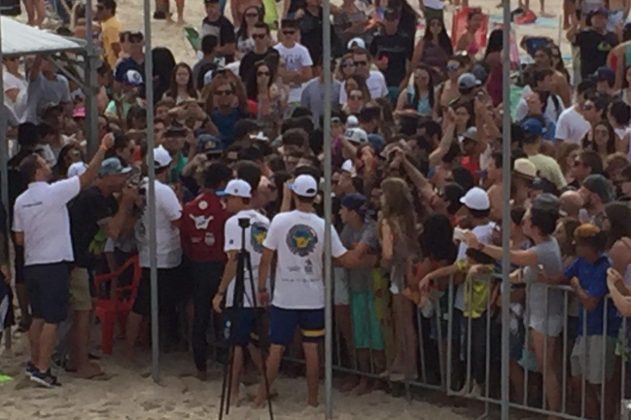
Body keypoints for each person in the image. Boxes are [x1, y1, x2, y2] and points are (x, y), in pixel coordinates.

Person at [252, 174, 364, 407]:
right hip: (313, 296)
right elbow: (342, 258)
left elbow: (266, 257)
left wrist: (262, 286)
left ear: (293, 193)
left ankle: (261, 397)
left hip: (286, 296)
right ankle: (312, 399)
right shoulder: (324, 226)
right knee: (312, 349)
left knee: (276, 348)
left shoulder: (280, 221)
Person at [13, 134, 113, 387]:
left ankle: (35, 362)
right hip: (54, 261)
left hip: (32, 261)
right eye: (43, 163)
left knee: (38, 316)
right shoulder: (54, 192)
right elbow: (88, 177)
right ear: (37, 171)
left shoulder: (20, 201)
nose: (48, 165)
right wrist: (102, 148)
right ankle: (43, 367)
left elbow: (20, 238)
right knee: (52, 318)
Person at [464, 193, 564, 415]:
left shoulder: (543, 248)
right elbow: (527, 269)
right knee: (542, 365)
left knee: (546, 367)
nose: (524, 221)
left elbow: (514, 257)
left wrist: (479, 246)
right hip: (538, 310)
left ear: (535, 226)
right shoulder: (542, 244)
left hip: (546, 313)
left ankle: (554, 414)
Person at [67, 157, 134, 379]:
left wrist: (133, 207)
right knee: (82, 312)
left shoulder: (106, 199)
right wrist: (125, 203)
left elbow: (122, 228)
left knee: (90, 307)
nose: (125, 179)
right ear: (107, 176)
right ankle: (80, 363)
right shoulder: (92, 198)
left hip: (89, 260)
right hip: (76, 261)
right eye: (121, 175)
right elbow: (113, 232)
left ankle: (80, 354)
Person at [211, 178, 270, 402]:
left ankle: (233, 391)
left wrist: (220, 291)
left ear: (238, 198)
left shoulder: (234, 223)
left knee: (236, 341)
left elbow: (233, 260)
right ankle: (265, 380)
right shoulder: (264, 220)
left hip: (241, 288)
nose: (224, 202)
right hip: (261, 286)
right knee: (249, 339)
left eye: (227, 198)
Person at [125, 146, 183, 360]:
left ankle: (138, 345)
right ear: (167, 168)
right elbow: (178, 219)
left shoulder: (141, 186)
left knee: (146, 304)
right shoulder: (162, 190)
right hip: (164, 253)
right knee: (146, 305)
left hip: (148, 250)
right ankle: (135, 348)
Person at [181, 162, 231, 380]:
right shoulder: (224, 209)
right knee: (226, 316)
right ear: (222, 183)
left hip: (198, 266)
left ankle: (201, 368)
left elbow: (184, 240)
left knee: (200, 318)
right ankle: (229, 362)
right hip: (221, 266)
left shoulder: (190, 207)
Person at [564, 224, 620, 419]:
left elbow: (590, 302)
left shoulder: (605, 267)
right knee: (578, 379)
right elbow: (562, 277)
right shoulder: (580, 262)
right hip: (584, 330)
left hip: (601, 331)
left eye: (578, 244)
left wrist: (577, 286)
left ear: (588, 246)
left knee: (600, 383)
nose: (575, 246)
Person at [369, 8, 413, 100]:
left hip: (399, 82)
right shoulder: (377, 38)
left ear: (397, 21)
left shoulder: (404, 39)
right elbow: (369, 58)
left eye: (393, 20)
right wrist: (377, 64)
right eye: (388, 20)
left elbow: (410, 64)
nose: (390, 23)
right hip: (381, 82)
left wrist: (404, 83)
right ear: (384, 20)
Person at [568, 7, 619, 80]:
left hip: (606, 74)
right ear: (591, 19)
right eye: (596, 18)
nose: (599, 20)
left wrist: (619, 35)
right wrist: (574, 26)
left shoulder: (612, 36)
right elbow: (570, 37)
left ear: (606, 20)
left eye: (601, 18)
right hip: (588, 73)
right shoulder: (585, 35)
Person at [274, 18, 314, 104]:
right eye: (285, 32)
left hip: (299, 91)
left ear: (296, 33)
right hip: (281, 91)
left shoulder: (303, 50)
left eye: (291, 32)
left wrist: (288, 76)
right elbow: (276, 73)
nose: (288, 35)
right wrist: (295, 73)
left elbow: (308, 75)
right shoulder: (275, 50)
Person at [96, 0, 122, 69]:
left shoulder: (111, 26)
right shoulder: (106, 23)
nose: (98, 11)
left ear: (109, 9)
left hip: (112, 65)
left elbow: (116, 47)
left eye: (101, 8)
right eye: (97, 8)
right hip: (106, 63)